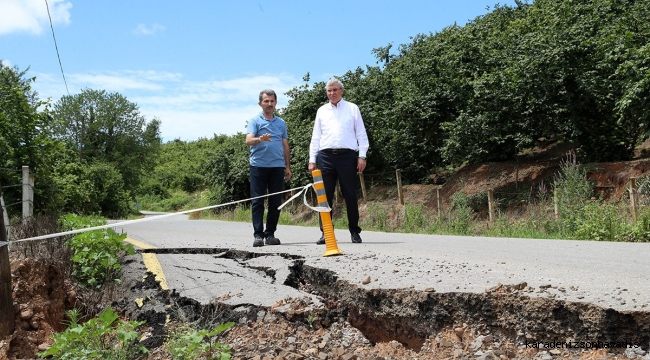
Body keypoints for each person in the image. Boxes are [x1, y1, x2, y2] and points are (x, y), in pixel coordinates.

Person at [308, 77, 369, 244]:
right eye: (329, 90)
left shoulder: (352, 108)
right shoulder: (321, 111)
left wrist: (362, 156)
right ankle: (326, 232)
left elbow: (361, 135)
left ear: (341, 91)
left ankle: (354, 232)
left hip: (347, 156)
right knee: (324, 197)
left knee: (350, 194)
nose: (332, 93)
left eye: (335, 90)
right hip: (325, 156)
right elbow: (316, 137)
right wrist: (312, 160)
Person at [245, 89, 292, 247]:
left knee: (275, 202)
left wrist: (287, 167)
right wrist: (260, 139)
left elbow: (285, 145)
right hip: (258, 166)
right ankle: (258, 235)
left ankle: (270, 234)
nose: (269, 104)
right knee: (257, 201)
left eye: (272, 101)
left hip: (277, 167)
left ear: (275, 103)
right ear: (260, 103)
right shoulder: (255, 121)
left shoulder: (281, 123)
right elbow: (248, 141)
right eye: (266, 101)